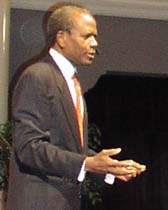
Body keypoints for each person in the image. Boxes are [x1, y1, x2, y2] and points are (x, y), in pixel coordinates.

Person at [6, 2, 146, 210]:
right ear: (61, 38)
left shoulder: (70, 82)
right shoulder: (38, 76)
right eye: (87, 36)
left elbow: (68, 149)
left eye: (95, 37)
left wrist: (109, 167)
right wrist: (86, 163)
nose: (95, 43)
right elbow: (28, 147)